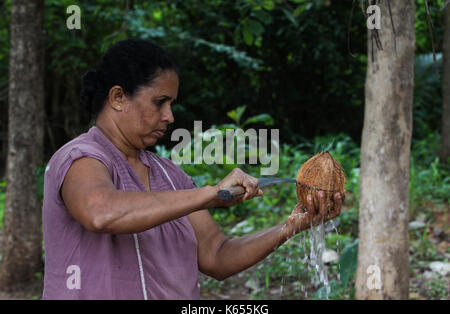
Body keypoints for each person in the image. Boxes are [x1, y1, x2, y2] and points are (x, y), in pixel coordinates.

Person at [42, 39, 344, 300]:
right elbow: (101, 212)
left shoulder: (171, 177)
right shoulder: (80, 157)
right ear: (118, 97)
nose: (169, 116)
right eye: (160, 102)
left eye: (171, 104)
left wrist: (294, 224)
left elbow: (217, 255)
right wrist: (208, 195)